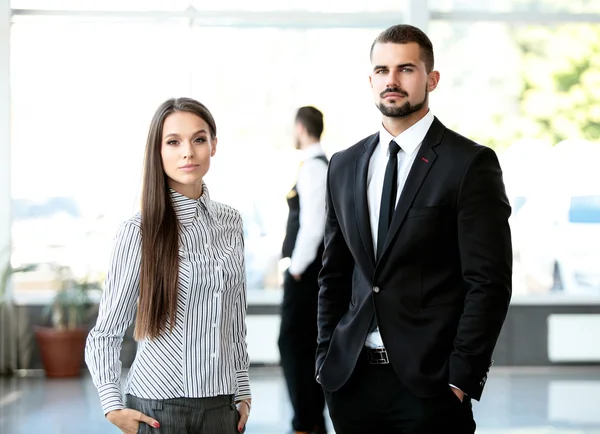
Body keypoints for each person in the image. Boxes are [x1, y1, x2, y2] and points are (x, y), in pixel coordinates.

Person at [316, 24, 512, 433]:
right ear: (370, 80)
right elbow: (334, 274)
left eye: (406, 69)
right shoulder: (344, 164)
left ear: (431, 79)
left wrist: (461, 377)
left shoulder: (468, 163)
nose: (392, 80)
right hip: (351, 384)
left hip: (431, 388)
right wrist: (325, 359)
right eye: (382, 70)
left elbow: (488, 282)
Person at [85, 97, 251, 434]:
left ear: (213, 146)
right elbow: (105, 332)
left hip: (221, 406)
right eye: (173, 142)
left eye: (199, 139)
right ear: (157, 151)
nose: (187, 152)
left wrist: (243, 392)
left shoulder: (231, 222)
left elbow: (235, 319)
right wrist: (112, 405)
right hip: (158, 408)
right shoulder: (138, 230)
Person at [278, 106, 328, 434]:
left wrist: (296, 267)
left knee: (293, 344)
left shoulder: (313, 168)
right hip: (309, 274)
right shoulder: (317, 165)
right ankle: (311, 420)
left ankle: (305, 422)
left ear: (300, 127)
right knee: (307, 344)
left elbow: (313, 225)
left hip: (306, 275)